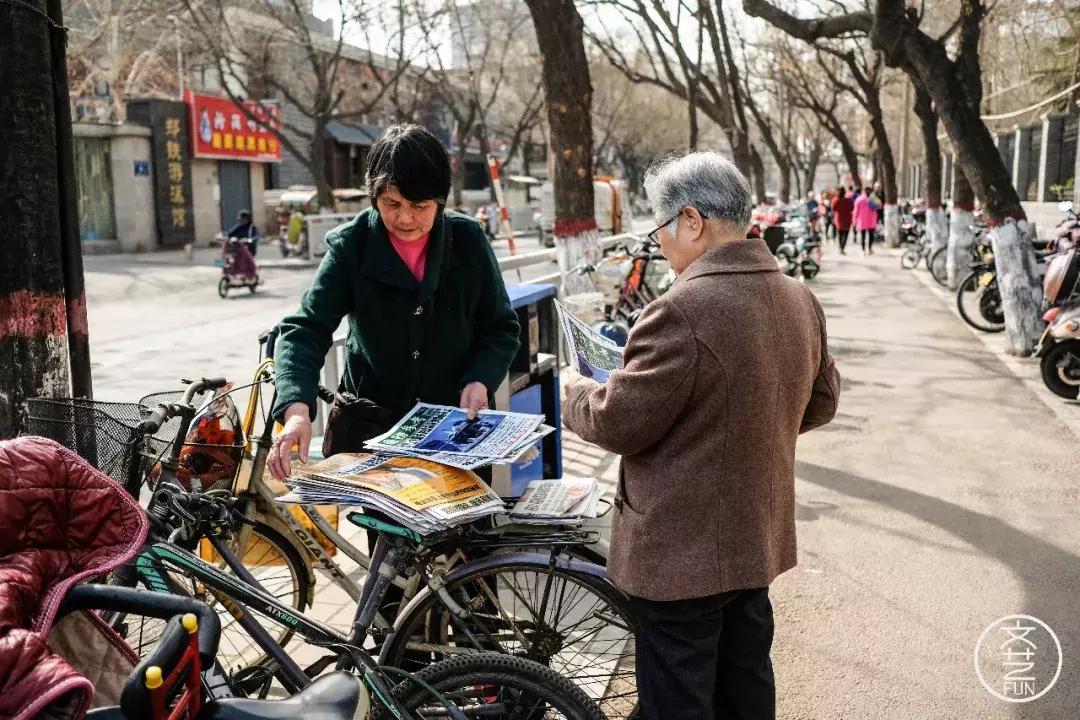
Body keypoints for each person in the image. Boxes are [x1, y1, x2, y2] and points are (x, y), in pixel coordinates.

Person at [562, 151, 840, 720]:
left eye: (661, 228)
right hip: (755, 539)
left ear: (691, 220)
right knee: (746, 689)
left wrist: (572, 390)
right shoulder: (797, 298)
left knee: (678, 702)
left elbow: (618, 421)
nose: (660, 243)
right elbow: (823, 400)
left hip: (680, 556)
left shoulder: (680, 310)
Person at [267, 123, 520, 482]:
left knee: (459, 537)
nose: (405, 218)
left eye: (419, 206)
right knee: (387, 537)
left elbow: (501, 328)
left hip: (454, 428)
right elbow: (304, 330)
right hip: (374, 434)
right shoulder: (351, 246)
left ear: (440, 202)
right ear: (375, 197)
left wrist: (480, 380)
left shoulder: (467, 240)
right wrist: (295, 410)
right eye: (391, 203)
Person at [853, 185, 880, 254]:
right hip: (871, 221)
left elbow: (856, 211)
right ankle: (870, 249)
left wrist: (855, 220)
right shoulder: (873, 198)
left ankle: (863, 250)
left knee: (863, 236)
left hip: (862, 221)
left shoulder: (859, 199)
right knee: (871, 235)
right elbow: (880, 206)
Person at [831, 186, 854, 254]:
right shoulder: (848, 200)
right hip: (847, 219)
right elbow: (852, 208)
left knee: (840, 234)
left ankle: (840, 247)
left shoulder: (835, 200)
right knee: (845, 234)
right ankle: (842, 247)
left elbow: (833, 209)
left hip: (839, 218)